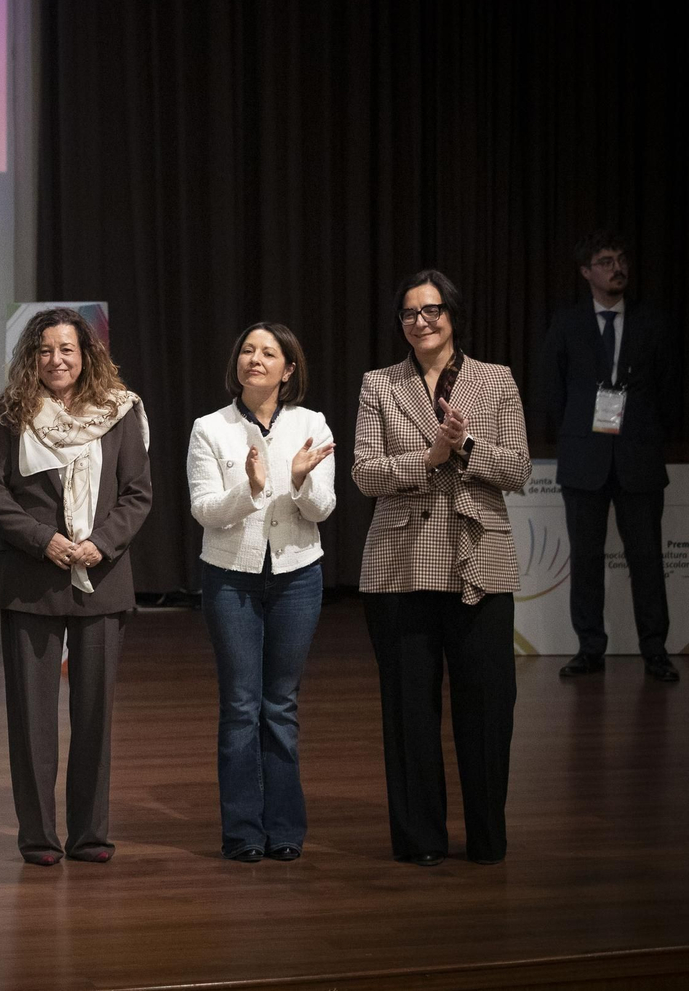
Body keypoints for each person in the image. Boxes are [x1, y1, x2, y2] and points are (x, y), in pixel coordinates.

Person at [353, 270, 531, 867]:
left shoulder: (495, 380)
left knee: (486, 710)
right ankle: (420, 839)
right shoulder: (380, 384)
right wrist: (428, 457)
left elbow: (519, 469)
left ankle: (487, 839)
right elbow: (366, 473)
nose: (421, 321)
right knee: (409, 711)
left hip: (479, 561)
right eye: (409, 313)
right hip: (400, 565)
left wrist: (468, 447)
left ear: (452, 314)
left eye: (432, 310)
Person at [0, 308, 152, 866]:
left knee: (95, 713)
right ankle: (38, 837)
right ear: (33, 357)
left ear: (87, 355)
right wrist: (44, 540)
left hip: (102, 578)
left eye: (68, 349)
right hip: (33, 579)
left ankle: (91, 835)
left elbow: (137, 494)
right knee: (32, 718)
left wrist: (101, 543)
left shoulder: (120, 412)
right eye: (46, 350)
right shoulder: (11, 412)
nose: (57, 360)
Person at [187, 323, 335, 863]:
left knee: (282, 705)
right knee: (242, 705)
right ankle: (244, 831)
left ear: (288, 368)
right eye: (248, 350)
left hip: (298, 576)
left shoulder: (311, 424)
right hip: (230, 577)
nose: (256, 359)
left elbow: (323, 509)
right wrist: (249, 489)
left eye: (269, 353)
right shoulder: (211, 428)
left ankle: (286, 829)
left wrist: (297, 479)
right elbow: (204, 509)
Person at [539, 232, 679, 682]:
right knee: (585, 558)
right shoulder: (567, 322)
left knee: (647, 558)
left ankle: (655, 650)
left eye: (621, 259)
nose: (616, 267)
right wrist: (576, 433)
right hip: (585, 458)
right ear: (586, 272)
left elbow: (670, 387)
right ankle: (589, 648)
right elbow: (552, 389)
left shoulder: (652, 321)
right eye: (604, 261)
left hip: (639, 455)